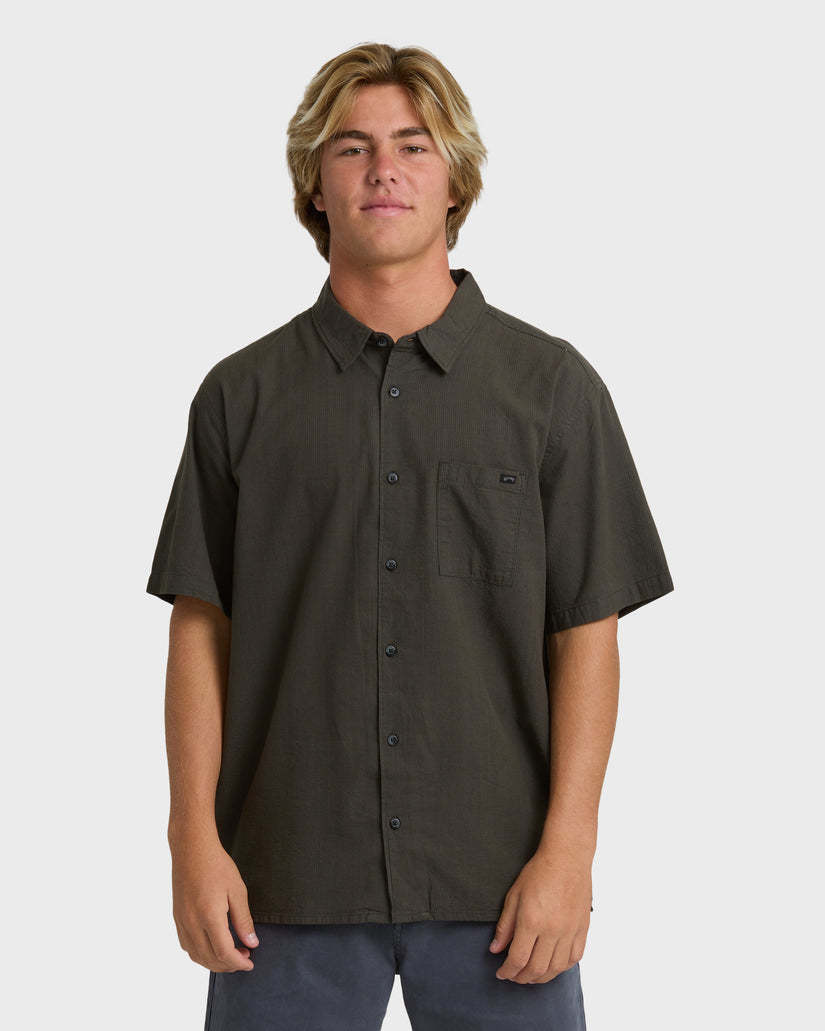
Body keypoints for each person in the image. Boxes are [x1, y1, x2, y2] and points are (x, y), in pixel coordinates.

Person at [146, 41, 674, 1030]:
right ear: (315, 184)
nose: (382, 169)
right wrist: (191, 840)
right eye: (351, 148)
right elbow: (200, 626)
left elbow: (586, 632)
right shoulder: (239, 397)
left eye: (412, 145)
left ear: (455, 179)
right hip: (285, 878)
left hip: (499, 883)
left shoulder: (552, 390)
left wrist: (569, 853)